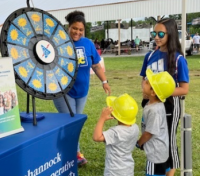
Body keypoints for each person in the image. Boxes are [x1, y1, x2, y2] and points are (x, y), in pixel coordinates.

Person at [53, 10, 111, 166]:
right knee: (71, 122)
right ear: (69, 27)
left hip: (82, 91)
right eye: (74, 28)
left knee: (76, 123)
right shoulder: (58, 43)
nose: (77, 32)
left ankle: (68, 150)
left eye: (80, 29)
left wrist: (104, 81)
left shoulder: (88, 44)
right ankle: (74, 154)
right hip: (64, 92)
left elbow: (96, 65)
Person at [140, 18, 189, 176]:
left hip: (170, 106)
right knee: (154, 138)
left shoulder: (178, 59)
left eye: (161, 33)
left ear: (171, 34)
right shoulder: (149, 56)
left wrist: (161, 92)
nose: (156, 37)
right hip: (152, 106)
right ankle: (159, 168)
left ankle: (170, 172)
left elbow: (184, 89)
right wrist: (147, 96)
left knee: (168, 140)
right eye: (154, 33)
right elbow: (144, 79)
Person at [137, 69, 176, 176]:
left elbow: (149, 132)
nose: (144, 81)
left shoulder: (154, 110)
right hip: (159, 151)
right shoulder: (152, 103)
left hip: (156, 155)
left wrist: (139, 143)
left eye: (147, 82)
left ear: (153, 92)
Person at [93, 93, 139, 175]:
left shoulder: (115, 132)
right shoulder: (135, 128)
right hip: (128, 169)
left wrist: (102, 118)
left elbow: (96, 137)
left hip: (114, 171)